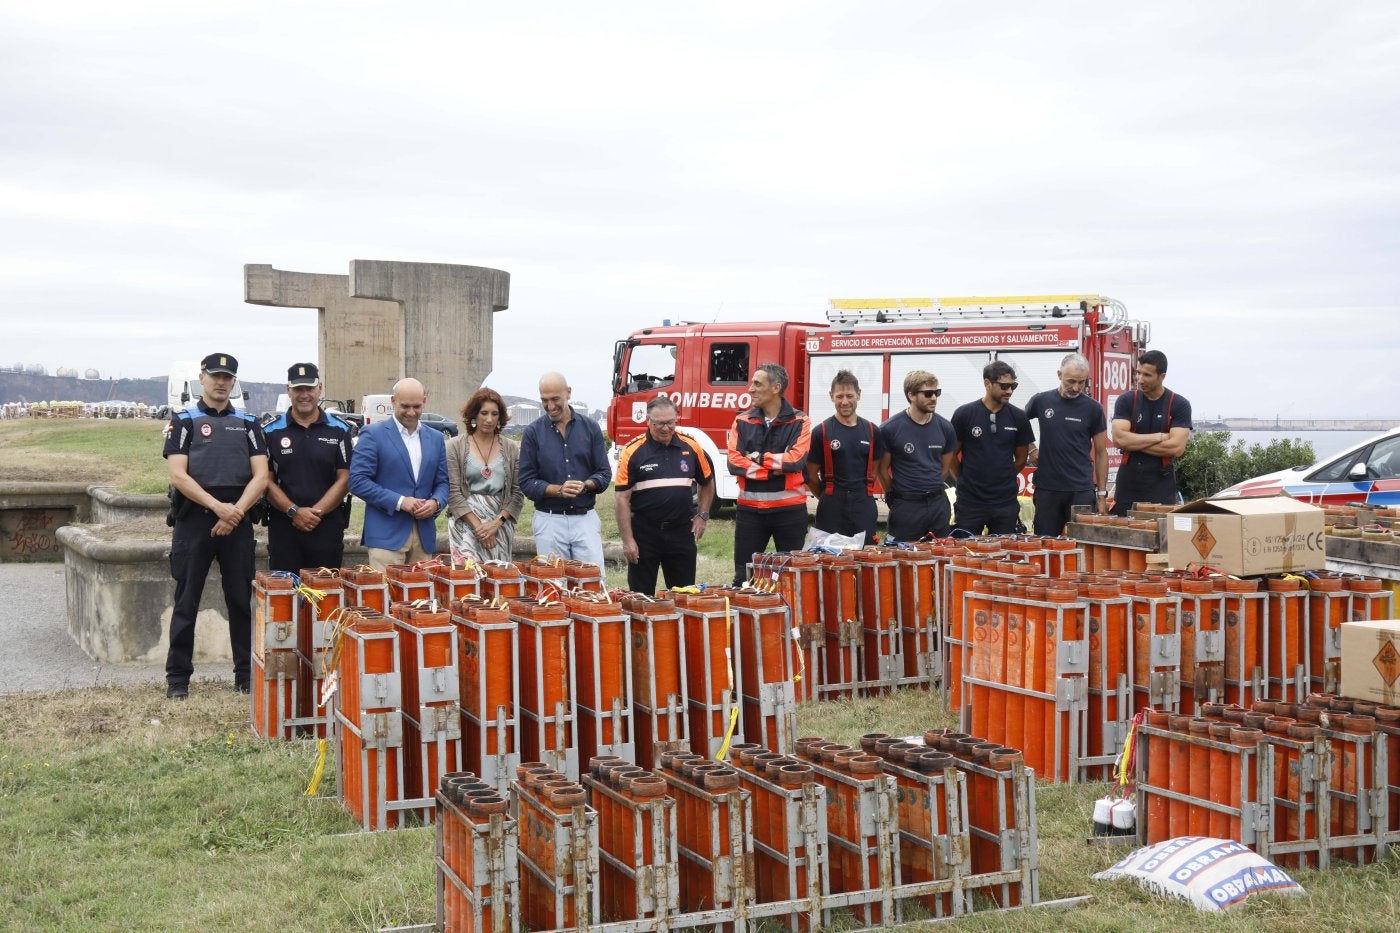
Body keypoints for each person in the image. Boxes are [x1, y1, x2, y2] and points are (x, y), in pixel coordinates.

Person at [162, 352, 268, 700]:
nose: (221, 383)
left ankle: (245, 676)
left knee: (240, 602)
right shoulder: (184, 421)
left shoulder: (249, 423)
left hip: (237, 521)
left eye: (228, 378)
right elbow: (178, 474)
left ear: (234, 382)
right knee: (186, 602)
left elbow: (261, 476)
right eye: (215, 376)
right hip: (195, 520)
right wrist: (217, 508)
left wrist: (234, 512)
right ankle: (178, 681)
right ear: (202, 378)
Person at [615, 396, 715, 594]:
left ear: (676, 419)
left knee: (684, 595)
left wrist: (702, 515)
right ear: (648, 422)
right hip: (644, 534)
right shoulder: (632, 450)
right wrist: (628, 541)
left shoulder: (691, 446)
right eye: (659, 423)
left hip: (681, 533)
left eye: (670, 422)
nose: (665, 428)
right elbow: (621, 499)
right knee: (641, 597)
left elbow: (707, 482)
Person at [348, 377, 449, 571]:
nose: (411, 412)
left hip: (424, 535)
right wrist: (400, 501)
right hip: (386, 536)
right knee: (385, 599)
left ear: (424, 402)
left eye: (417, 406)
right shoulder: (372, 434)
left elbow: (443, 482)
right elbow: (357, 481)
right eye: (405, 406)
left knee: (420, 600)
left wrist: (435, 502)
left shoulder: (436, 438)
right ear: (393, 401)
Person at [262, 362, 353, 573]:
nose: (304, 395)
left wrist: (315, 513)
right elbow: (264, 480)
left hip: (326, 525)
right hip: (284, 526)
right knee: (285, 595)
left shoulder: (339, 430)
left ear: (319, 388)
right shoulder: (270, 430)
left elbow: (345, 478)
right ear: (288, 390)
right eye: (298, 389)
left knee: (325, 596)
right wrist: (294, 512)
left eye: (309, 388)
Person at [726, 362, 811, 584]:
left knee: (792, 578)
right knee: (744, 578)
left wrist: (756, 458)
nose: (750, 389)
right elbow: (734, 462)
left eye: (757, 384)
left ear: (776, 388)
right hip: (750, 514)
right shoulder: (742, 420)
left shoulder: (800, 421)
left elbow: (795, 461)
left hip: (790, 513)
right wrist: (770, 471)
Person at [518, 371, 611, 568]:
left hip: (584, 519)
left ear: (568, 393)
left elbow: (604, 473)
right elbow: (526, 482)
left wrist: (586, 486)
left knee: (592, 583)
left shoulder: (591, 428)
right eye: (544, 400)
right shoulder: (533, 433)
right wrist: (558, 490)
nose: (550, 406)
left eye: (555, 399)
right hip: (549, 520)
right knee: (554, 586)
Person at [1024, 353, 1110, 536]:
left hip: (1081, 490)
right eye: (1071, 381)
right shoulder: (1041, 400)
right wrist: (1031, 448)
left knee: (1080, 545)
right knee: (1045, 544)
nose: (1076, 387)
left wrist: (1102, 495)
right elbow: (1019, 425)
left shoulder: (1093, 409)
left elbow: (1102, 453)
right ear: (1059, 375)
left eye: (1082, 382)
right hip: (1048, 488)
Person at [948, 361, 1035, 536]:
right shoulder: (964, 414)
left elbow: (1020, 459)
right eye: (1004, 386)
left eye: (1013, 386)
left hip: (1005, 502)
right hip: (970, 502)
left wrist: (1002, 477)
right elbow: (950, 455)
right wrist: (964, 478)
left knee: (1003, 556)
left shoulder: (1018, 417)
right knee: (966, 554)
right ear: (987, 383)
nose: (1009, 391)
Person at [875, 370, 958, 541]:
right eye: (928, 393)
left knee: (939, 558)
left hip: (938, 504)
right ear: (911, 395)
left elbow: (944, 468)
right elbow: (882, 470)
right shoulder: (890, 428)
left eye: (937, 393)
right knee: (903, 558)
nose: (934, 398)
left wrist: (930, 487)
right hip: (906, 506)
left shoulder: (946, 427)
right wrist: (896, 498)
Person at [446, 387, 524, 565]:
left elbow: (518, 493)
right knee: (466, 579)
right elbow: (453, 492)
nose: (489, 419)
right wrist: (479, 528)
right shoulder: (454, 446)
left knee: (498, 580)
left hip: (500, 525)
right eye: (484, 413)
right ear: (474, 415)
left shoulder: (511, 448)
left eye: (495, 414)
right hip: (465, 523)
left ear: (500, 417)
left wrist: (496, 524)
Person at [806, 369, 884, 541]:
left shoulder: (872, 431)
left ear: (859, 395)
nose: (845, 401)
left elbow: (874, 471)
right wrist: (829, 496)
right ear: (831, 396)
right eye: (839, 396)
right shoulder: (822, 431)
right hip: (832, 505)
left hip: (864, 504)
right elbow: (810, 475)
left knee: (865, 559)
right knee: (830, 560)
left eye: (850, 396)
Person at [1110, 349, 1192, 514]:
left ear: (1162, 376)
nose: (1140, 379)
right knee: (1123, 530)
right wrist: (1159, 437)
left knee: (1158, 532)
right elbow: (1119, 440)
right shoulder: (1126, 400)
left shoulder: (1179, 404)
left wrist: (1132, 443)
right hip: (1128, 480)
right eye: (1138, 373)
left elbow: (1176, 448)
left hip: (1160, 481)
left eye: (1147, 375)